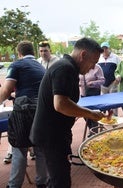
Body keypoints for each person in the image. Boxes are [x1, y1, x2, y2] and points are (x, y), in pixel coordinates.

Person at [30, 37, 106, 188]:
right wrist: (89, 113)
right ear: (83, 55)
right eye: (93, 62)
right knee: (61, 182)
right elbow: (61, 104)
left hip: (54, 134)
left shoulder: (66, 67)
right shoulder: (65, 68)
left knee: (56, 178)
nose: (92, 68)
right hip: (51, 136)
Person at [0, 41, 48, 187]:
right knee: (40, 149)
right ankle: (42, 183)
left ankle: (14, 185)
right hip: (41, 111)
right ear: (33, 52)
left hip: (23, 112)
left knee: (19, 150)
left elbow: (6, 90)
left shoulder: (16, 65)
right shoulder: (41, 67)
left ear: (19, 53)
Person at [79, 64, 105, 135]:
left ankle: (94, 133)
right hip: (84, 95)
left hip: (94, 96)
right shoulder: (81, 66)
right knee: (85, 114)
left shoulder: (97, 67)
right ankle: (91, 129)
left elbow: (102, 80)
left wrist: (93, 83)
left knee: (94, 115)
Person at [98, 42, 121, 115]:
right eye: (103, 48)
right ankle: (106, 118)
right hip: (102, 84)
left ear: (109, 48)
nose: (104, 50)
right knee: (104, 102)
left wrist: (117, 78)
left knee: (114, 101)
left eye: (106, 48)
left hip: (113, 83)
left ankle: (115, 118)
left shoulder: (115, 57)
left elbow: (121, 69)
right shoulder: (99, 58)